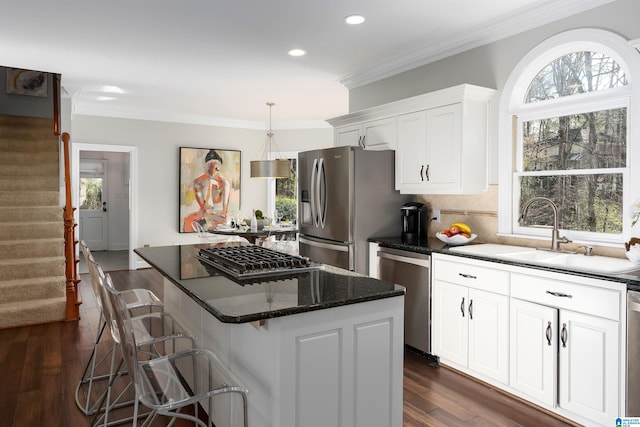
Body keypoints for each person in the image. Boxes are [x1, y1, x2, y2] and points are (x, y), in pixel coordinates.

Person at [183, 150, 231, 232]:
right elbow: (204, 205)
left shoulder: (224, 183)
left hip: (218, 214)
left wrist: (221, 212)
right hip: (205, 212)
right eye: (210, 168)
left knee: (226, 220)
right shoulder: (198, 182)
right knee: (189, 221)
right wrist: (209, 183)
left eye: (216, 168)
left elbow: (224, 209)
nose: (213, 171)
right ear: (206, 168)